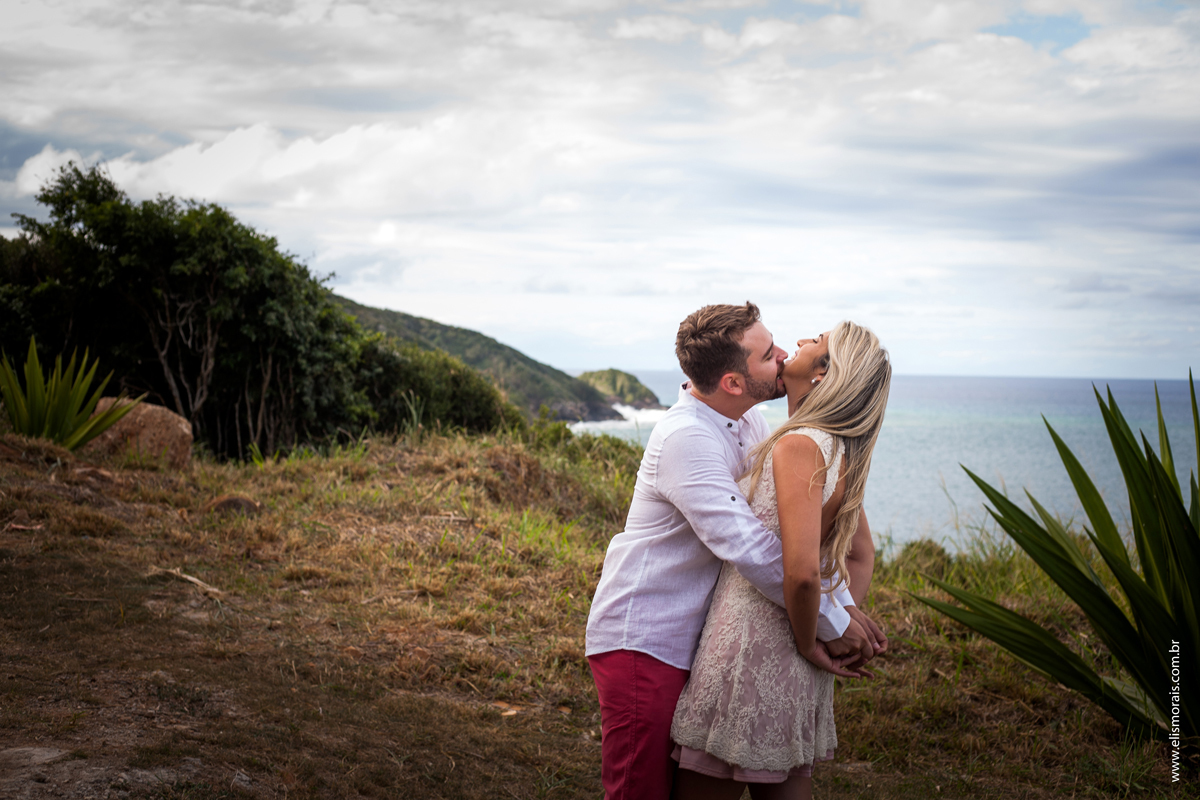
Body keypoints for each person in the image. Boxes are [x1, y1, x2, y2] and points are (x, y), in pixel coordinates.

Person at [585, 304, 887, 800]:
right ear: (732, 382)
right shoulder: (686, 438)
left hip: (704, 638)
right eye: (768, 355)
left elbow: (837, 542)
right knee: (640, 789)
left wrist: (837, 616)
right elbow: (754, 548)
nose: (784, 352)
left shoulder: (753, 424)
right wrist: (832, 623)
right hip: (648, 638)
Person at [670, 321, 892, 800]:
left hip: (750, 648)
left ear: (822, 374)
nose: (803, 340)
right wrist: (838, 622)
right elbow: (861, 554)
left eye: (818, 341)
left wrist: (813, 639)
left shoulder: (799, 445)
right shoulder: (839, 448)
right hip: (799, 655)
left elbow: (803, 574)